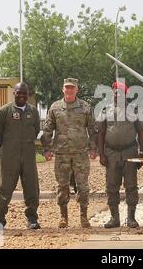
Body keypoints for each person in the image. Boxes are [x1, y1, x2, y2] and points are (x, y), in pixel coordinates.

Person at [41, 78, 97, 228]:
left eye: (72, 87)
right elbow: (47, 129)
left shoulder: (85, 107)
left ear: (77, 89)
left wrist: (93, 148)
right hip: (61, 154)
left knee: (83, 186)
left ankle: (84, 217)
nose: (69, 90)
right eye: (67, 87)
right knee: (62, 186)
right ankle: (63, 217)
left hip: (81, 153)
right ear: (63, 89)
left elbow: (92, 130)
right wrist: (46, 149)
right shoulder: (55, 107)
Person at [97, 82, 143, 228]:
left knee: (131, 186)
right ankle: (114, 218)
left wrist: (141, 153)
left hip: (129, 152)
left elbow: (141, 134)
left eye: (120, 92)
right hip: (111, 153)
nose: (117, 94)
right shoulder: (105, 110)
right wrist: (101, 154)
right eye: (115, 91)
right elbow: (100, 134)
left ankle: (131, 218)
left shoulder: (134, 110)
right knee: (112, 186)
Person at [0, 82, 41, 229]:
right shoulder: (4, 111)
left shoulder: (33, 111)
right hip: (9, 157)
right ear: (14, 93)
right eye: (19, 92)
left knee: (32, 189)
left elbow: (36, 130)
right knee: (4, 189)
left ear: (28, 94)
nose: (21, 95)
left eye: (24, 93)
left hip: (28, 156)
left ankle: (32, 219)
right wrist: (6, 149)